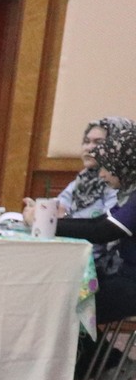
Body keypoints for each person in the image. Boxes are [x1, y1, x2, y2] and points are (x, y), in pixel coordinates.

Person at [54, 119, 136, 328]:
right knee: (63, 297)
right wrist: (52, 222)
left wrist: (50, 224)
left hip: (132, 281)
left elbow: (103, 231)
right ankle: (98, 350)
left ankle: (95, 351)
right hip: (126, 276)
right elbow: (100, 221)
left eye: (107, 166)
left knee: (65, 305)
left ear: (124, 164)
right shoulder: (128, 194)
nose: (101, 174)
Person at [55, 118, 124, 221]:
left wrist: (64, 218)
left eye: (98, 142)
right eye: (86, 141)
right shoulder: (82, 180)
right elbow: (59, 207)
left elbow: (106, 225)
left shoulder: (118, 183)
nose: (88, 148)